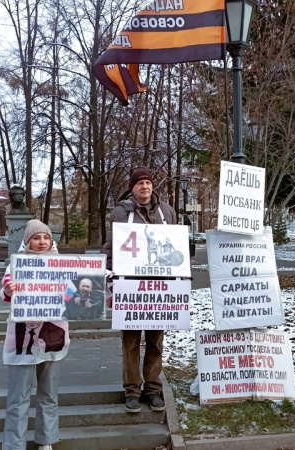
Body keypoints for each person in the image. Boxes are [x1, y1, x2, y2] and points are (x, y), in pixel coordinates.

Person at [103, 167, 176, 413]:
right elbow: (110, 249)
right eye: (139, 183)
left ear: (152, 186)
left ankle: (153, 390)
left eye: (148, 182)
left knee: (156, 342)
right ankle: (132, 391)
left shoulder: (167, 212)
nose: (144, 187)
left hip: (160, 289)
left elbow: (175, 249)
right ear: (132, 188)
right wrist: (110, 283)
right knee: (131, 342)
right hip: (130, 286)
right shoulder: (120, 213)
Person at [1, 220, 69, 450]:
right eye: (36, 238)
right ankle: (14, 445)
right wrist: (8, 291)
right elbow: (6, 288)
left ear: (52, 240)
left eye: (46, 238)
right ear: (27, 241)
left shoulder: (62, 265)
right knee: (18, 396)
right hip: (22, 337)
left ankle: (46, 440)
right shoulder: (16, 265)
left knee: (49, 392)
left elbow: (74, 293)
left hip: (53, 336)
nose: (41, 242)